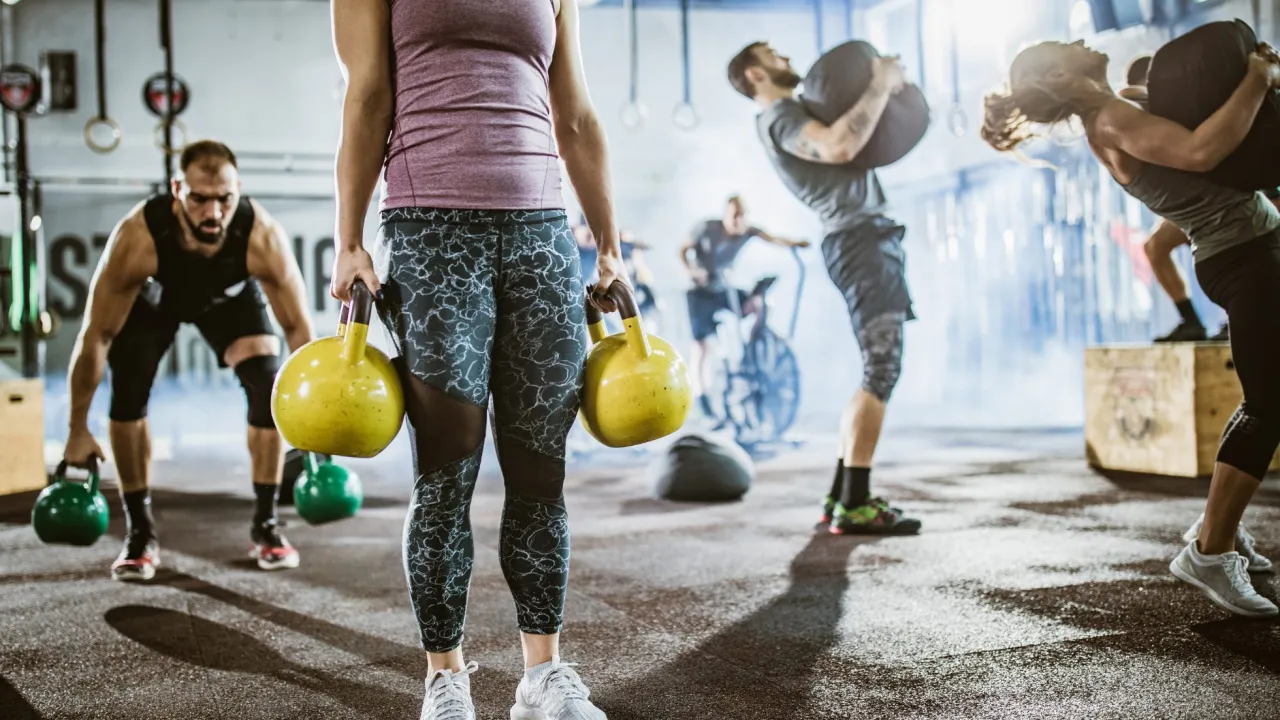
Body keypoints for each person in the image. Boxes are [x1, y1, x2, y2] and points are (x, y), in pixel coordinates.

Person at [331, 0, 623, 717]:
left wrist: (610, 245)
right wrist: (349, 240)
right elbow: (367, 96)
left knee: (540, 469)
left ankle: (542, 677)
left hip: (542, 235)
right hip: (431, 233)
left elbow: (576, 115)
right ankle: (446, 679)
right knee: (446, 471)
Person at [983, 38, 1280, 617]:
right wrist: (1256, 75)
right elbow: (1200, 151)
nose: (1079, 41)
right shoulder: (1111, 119)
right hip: (1241, 258)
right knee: (1268, 405)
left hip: (1253, 246)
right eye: (1065, 46)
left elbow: (1204, 113)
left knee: (1267, 399)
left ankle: (1219, 524)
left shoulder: (1120, 103)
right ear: (1059, 76)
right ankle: (1210, 550)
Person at [62, 140, 315, 581]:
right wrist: (76, 429)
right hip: (155, 303)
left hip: (228, 302)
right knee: (128, 388)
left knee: (267, 383)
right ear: (177, 189)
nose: (213, 212)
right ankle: (140, 534)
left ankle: (266, 524)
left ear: (239, 190)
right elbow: (96, 335)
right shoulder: (138, 235)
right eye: (199, 198)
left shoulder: (261, 236)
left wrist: (314, 414)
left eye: (224, 199)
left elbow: (298, 330)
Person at [727, 41, 922, 536]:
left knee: (876, 370)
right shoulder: (780, 118)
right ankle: (855, 504)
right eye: (773, 55)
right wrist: (880, 81)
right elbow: (839, 147)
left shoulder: (788, 114)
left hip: (862, 239)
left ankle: (843, 497)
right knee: (882, 369)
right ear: (755, 74)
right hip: (860, 241)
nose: (786, 59)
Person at [1120, 53, 1280, 343]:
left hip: (1255, 195)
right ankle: (1191, 322)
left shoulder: (1204, 97)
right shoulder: (1151, 118)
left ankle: (1245, 315)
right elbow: (1128, 96)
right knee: (1156, 246)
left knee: (1248, 246)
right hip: (1210, 204)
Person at [678, 194, 809, 420]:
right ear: (725, 215)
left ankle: (754, 347)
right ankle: (701, 396)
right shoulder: (707, 228)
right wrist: (691, 270)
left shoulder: (749, 231)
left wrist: (795, 244)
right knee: (701, 347)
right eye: (734, 216)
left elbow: (773, 238)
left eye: (742, 216)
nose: (738, 221)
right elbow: (683, 249)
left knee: (759, 303)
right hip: (699, 292)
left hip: (723, 289)